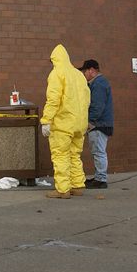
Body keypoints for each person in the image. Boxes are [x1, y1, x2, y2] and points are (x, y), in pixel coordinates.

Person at [41, 45, 91, 199]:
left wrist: (46, 120)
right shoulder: (78, 74)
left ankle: (62, 190)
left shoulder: (57, 73)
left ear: (54, 59)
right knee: (75, 155)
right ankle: (77, 186)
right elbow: (87, 99)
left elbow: (53, 99)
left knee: (60, 155)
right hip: (79, 124)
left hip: (63, 124)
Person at [79, 59, 114, 189]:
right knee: (98, 151)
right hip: (102, 123)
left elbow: (97, 106)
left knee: (98, 151)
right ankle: (99, 177)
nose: (83, 75)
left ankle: (100, 179)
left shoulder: (98, 84)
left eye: (84, 72)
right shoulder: (99, 83)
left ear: (91, 71)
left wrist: (89, 121)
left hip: (99, 124)